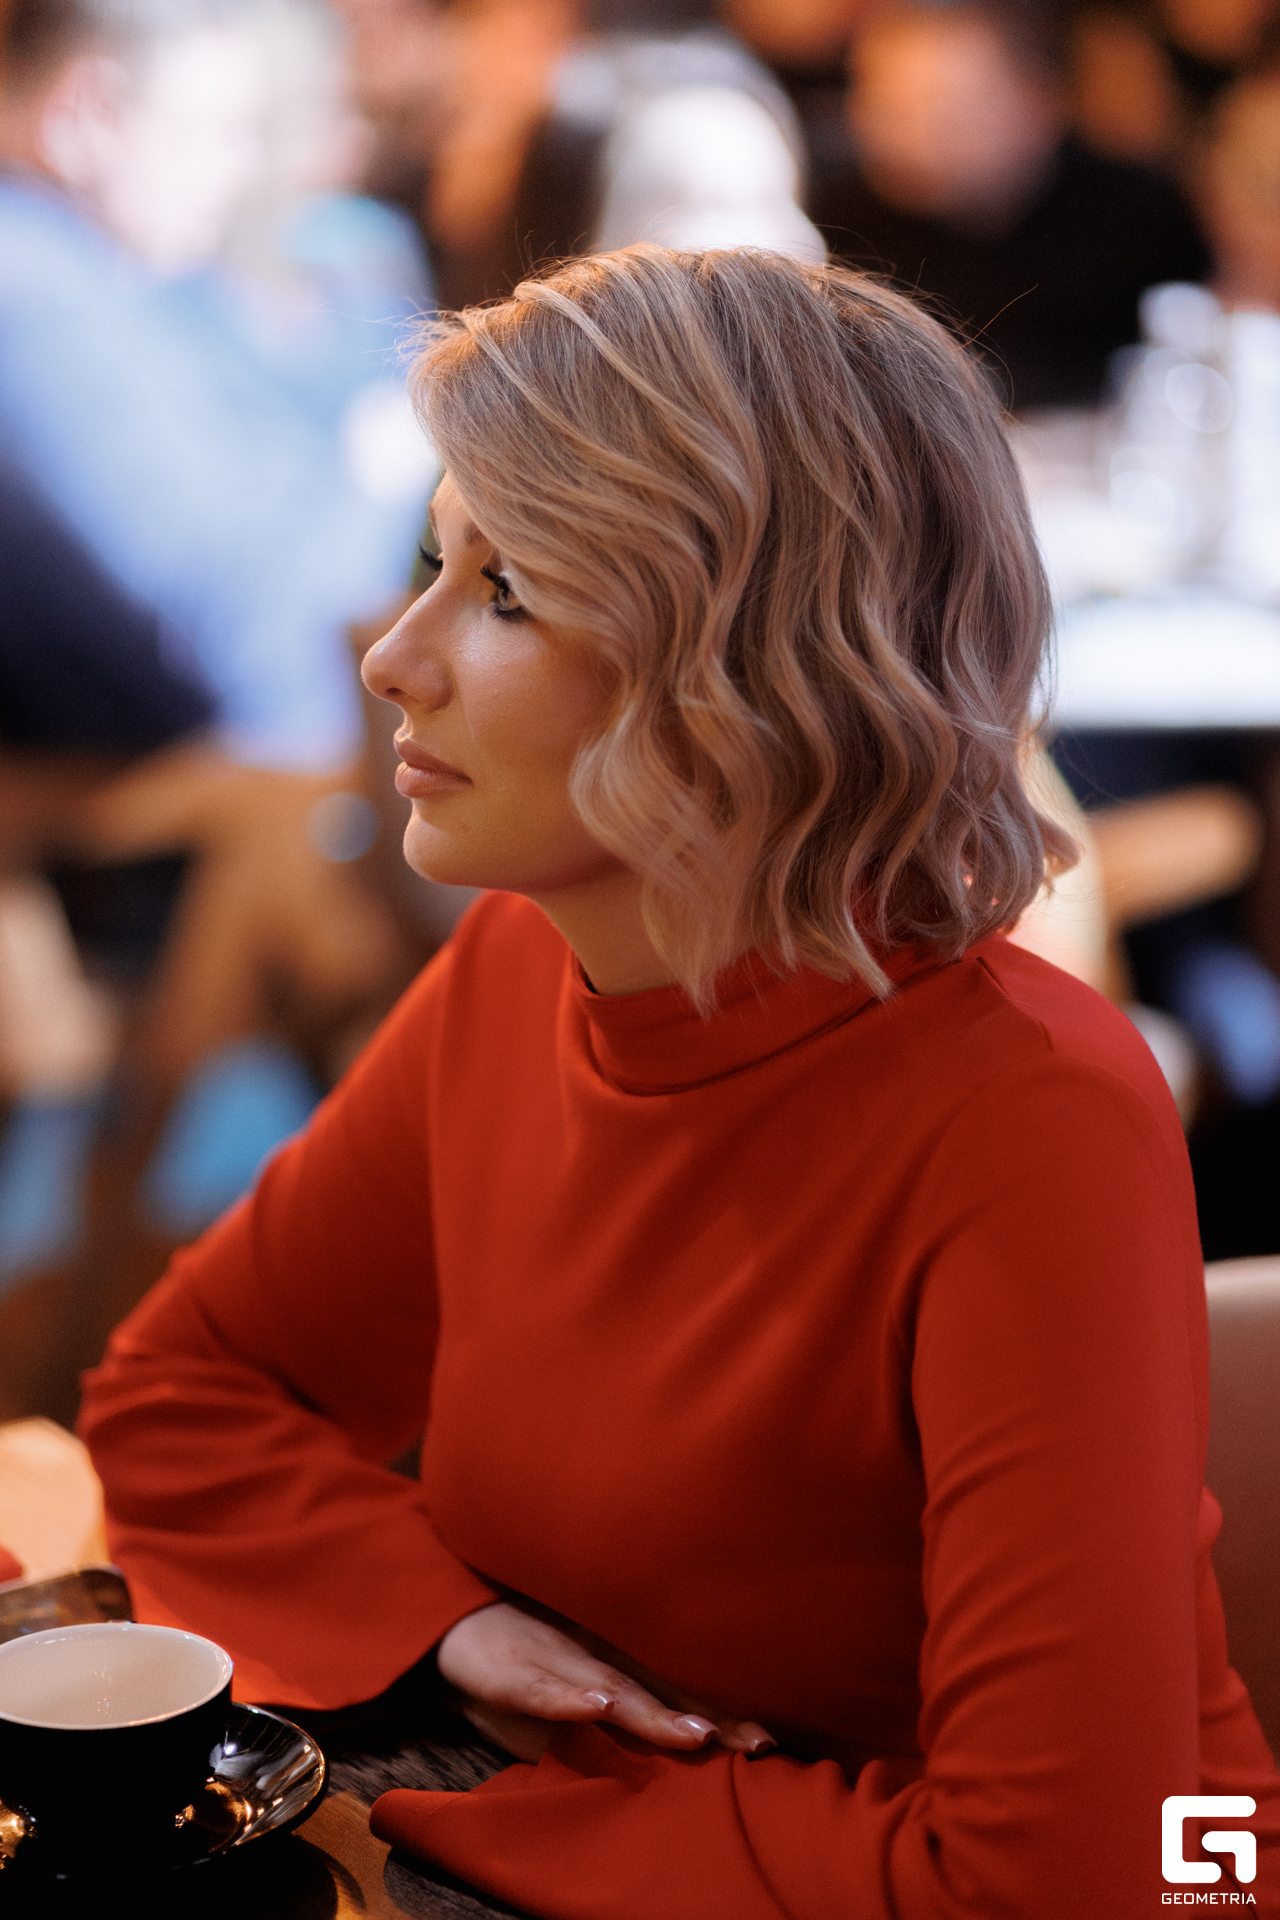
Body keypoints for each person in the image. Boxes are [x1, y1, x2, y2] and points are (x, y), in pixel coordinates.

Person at [78, 247, 1280, 1917]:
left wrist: (506, 1820)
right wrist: (447, 1626)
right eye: (436, 561)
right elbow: (187, 1393)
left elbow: (1069, 1869)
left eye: (508, 591)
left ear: (741, 668)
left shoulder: (1032, 1117)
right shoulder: (523, 970)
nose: (394, 659)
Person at [811, 0, 1212, 409]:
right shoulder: (834, 223)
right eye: (888, 108)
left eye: (947, 111)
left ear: (1038, 102)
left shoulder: (1140, 215)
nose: (912, 137)